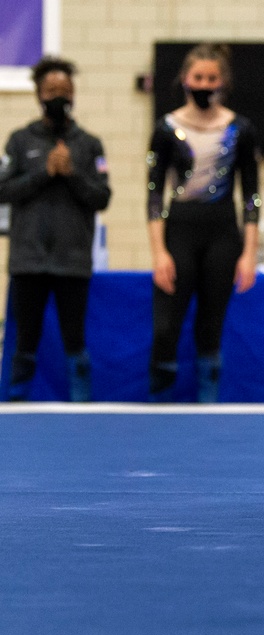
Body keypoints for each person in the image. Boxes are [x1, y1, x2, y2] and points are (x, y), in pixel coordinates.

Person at [146, 43, 260, 402]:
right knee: (166, 324)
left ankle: (208, 403)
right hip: (179, 225)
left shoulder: (240, 129)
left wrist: (249, 253)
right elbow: (153, 195)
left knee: (210, 323)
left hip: (222, 230)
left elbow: (251, 196)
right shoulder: (165, 128)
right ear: (184, 80)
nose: (204, 83)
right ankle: (159, 399)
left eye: (212, 78)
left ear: (223, 82)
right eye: (198, 77)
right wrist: (158, 251)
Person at [0, 56, 111, 401]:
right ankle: (16, 404)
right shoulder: (19, 141)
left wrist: (72, 173)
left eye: (65, 90)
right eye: (51, 90)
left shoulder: (90, 145)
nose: (59, 96)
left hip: (73, 262)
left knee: (75, 339)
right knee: (25, 339)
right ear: (38, 94)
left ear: (74, 94)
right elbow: (4, 190)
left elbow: (102, 197)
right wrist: (44, 172)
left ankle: (82, 403)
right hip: (28, 261)